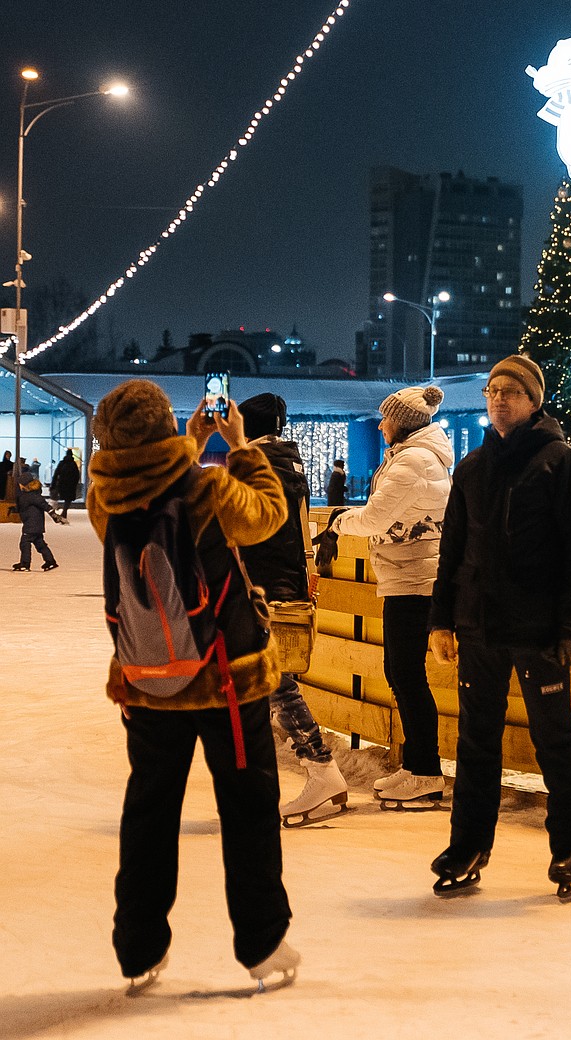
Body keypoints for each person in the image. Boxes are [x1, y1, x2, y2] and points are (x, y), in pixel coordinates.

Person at [86, 380, 298, 991]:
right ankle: (261, 943)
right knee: (247, 805)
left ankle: (138, 946)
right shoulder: (203, 485)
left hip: (147, 683)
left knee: (149, 808)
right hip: (225, 677)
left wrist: (186, 442)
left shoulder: (107, 497)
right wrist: (238, 446)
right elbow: (267, 517)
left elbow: (150, 488)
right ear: (164, 425)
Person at [428, 354, 571, 902]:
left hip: (539, 628)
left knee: (555, 739)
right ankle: (468, 845)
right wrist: (441, 621)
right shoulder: (472, 468)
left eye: (512, 391)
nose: (499, 398)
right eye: (493, 390)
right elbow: (451, 549)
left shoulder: (559, 462)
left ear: (534, 401)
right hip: (478, 625)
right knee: (475, 742)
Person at [320, 385, 453, 809]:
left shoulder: (413, 460)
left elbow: (376, 515)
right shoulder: (415, 456)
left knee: (407, 677)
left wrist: (339, 521)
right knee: (401, 674)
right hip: (408, 575)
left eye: (386, 419)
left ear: (404, 423)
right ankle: (417, 767)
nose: (380, 425)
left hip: (415, 579)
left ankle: (426, 772)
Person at [238, 393, 348, 826]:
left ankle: (322, 771)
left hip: (261, 590)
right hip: (279, 586)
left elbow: (243, 532)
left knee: (275, 685)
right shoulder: (290, 465)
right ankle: (255, 781)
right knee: (259, 686)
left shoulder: (258, 467)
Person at [12, 476, 64, 571]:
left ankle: (25, 563)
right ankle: (50, 561)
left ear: (24, 485)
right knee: (40, 544)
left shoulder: (31, 496)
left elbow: (45, 506)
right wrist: (14, 509)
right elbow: (24, 507)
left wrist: (54, 515)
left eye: (19, 483)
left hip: (31, 524)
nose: (18, 485)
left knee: (25, 543)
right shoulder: (29, 495)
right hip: (35, 525)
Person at [50, 449, 81, 517]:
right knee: (68, 499)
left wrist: (53, 484)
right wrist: (75, 484)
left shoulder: (62, 463)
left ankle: (54, 510)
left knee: (56, 497)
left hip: (61, 483)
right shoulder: (73, 464)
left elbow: (56, 474)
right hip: (70, 485)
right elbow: (77, 475)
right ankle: (64, 511)